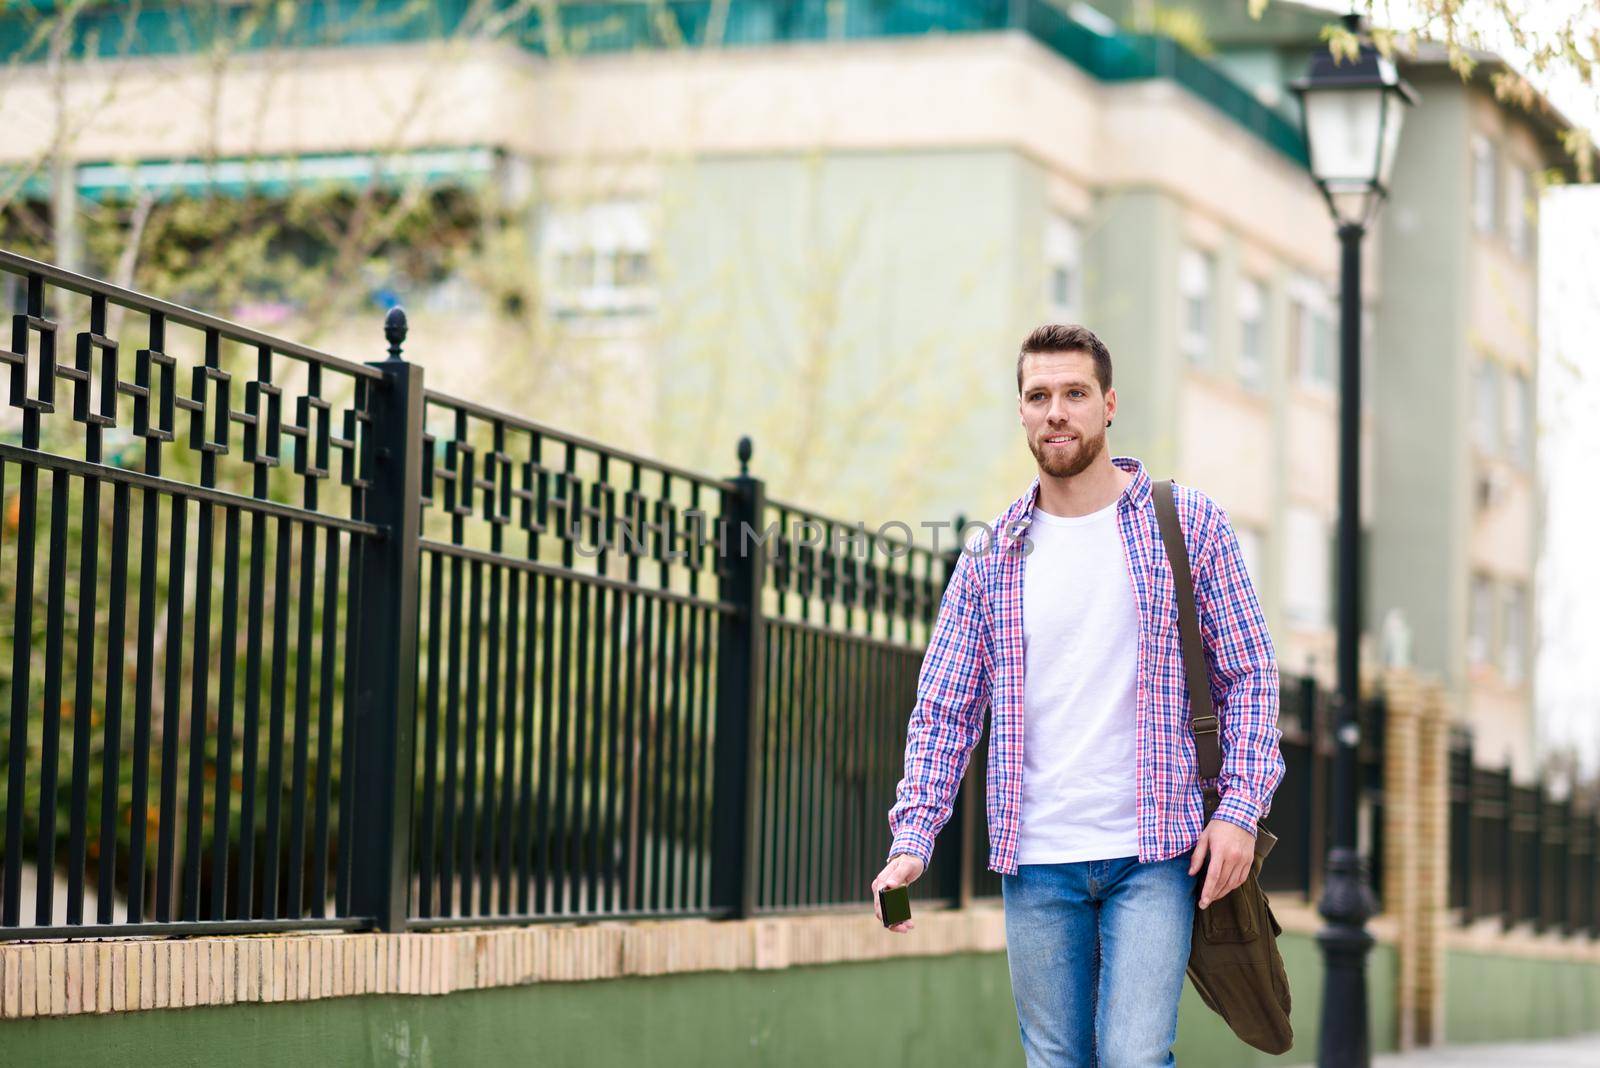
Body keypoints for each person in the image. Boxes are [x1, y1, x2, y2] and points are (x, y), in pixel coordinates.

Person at [871, 324, 1285, 1067]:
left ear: (1108, 404)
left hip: (1155, 852)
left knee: (1133, 1056)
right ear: (1022, 413)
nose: (1055, 411)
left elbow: (1249, 674)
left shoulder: (1187, 524)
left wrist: (1240, 812)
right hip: (1036, 858)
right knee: (1056, 1060)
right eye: (1038, 396)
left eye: (1074, 393)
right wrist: (912, 842)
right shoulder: (992, 554)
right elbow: (944, 710)